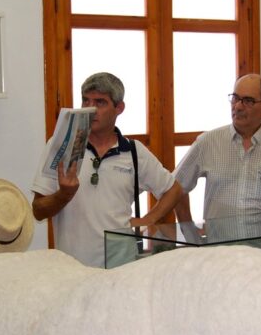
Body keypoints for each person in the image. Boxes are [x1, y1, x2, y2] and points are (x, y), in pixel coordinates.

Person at [31, 71, 182, 267]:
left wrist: (148, 220)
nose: (90, 108)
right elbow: (38, 210)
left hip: (122, 266)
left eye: (100, 102)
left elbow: (174, 189)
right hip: (74, 268)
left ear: (119, 108)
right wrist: (64, 195)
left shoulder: (134, 151)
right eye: (85, 101)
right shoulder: (61, 147)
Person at [174, 74, 261, 222]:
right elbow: (176, 188)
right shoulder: (207, 142)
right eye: (235, 98)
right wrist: (188, 230)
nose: (238, 106)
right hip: (219, 243)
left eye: (248, 101)